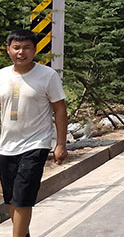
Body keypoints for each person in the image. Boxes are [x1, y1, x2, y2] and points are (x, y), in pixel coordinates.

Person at [1, 29, 67, 237]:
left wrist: (61, 144)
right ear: (8, 49)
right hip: (5, 146)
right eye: (17, 48)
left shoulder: (47, 76)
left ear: (35, 50)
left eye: (27, 47)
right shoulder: (1, 75)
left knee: (22, 198)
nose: (22, 52)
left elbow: (60, 109)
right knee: (12, 200)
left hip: (35, 144)